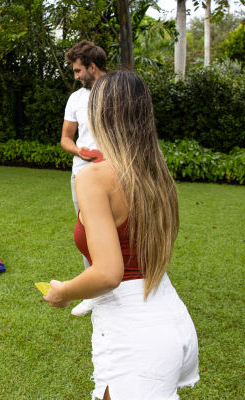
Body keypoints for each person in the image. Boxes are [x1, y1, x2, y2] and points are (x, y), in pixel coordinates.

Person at [44, 70, 199, 400]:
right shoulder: (156, 171)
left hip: (135, 334)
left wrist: (64, 293)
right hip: (168, 315)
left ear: (100, 115)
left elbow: (107, 273)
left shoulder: (94, 178)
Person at [61, 40, 106, 316]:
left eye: (78, 71)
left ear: (92, 66)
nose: (76, 77)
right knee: (87, 233)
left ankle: (123, 285)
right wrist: (80, 151)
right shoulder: (76, 98)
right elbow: (66, 139)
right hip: (82, 175)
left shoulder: (117, 90)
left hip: (116, 174)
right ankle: (91, 293)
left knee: (122, 229)